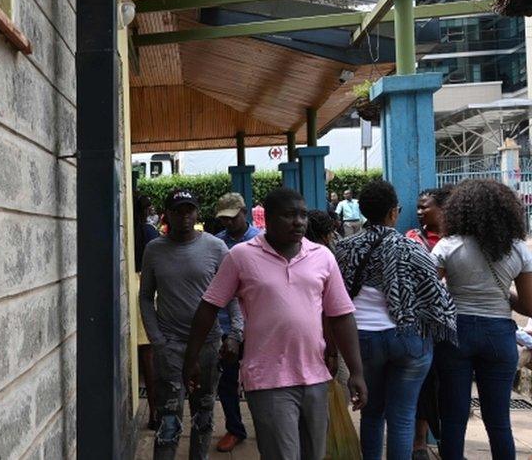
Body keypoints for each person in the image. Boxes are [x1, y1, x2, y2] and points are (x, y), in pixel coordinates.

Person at [183, 188, 367, 460]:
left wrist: (356, 371)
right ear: (267, 218)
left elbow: (340, 314)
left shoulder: (322, 256)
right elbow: (208, 306)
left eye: (303, 215)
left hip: (315, 377)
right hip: (268, 379)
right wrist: (192, 358)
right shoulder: (241, 256)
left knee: (314, 455)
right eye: (289, 215)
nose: (299, 222)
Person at [335, 180, 457, 460]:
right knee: (403, 417)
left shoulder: (343, 249)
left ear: (363, 211)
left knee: (372, 412)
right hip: (409, 341)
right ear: (394, 212)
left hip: (362, 341)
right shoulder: (413, 249)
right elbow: (435, 297)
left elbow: (336, 298)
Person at [140, 189, 244, 459]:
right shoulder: (155, 250)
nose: (184, 216)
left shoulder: (215, 247)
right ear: (167, 215)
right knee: (168, 420)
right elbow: (145, 298)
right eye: (178, 211)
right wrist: (157, 341)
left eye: (189, 210)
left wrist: (235, 332)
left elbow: (232, 294)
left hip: (209, 346)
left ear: (197, 213)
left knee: (204, 415)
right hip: (171, 347)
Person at [433, 179, 532, 460]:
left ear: (460, 210)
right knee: (499, 421)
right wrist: (505, 295)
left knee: (453, 418)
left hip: (456, 332)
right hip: (499, 335)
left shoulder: (448, 245)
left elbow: (428, 293)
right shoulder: (517, 249)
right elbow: (528, 305)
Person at [405, 185, 453, 459]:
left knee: (449, 385)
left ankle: (450, 440)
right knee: (422, 385)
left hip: (452, 325)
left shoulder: (458, 240)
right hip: (423, 324)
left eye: (426, 206)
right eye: (419, 207)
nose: (420, 211)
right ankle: (419, 442)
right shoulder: (413, 239)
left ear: (444, 208)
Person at [212, 193, 262, 452]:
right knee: (227, 380)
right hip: (225, 323)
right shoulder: (217, 244)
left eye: (233, 218)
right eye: (224, 219)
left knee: (261, 380)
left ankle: (267, 427)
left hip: (257, 323)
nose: (228, 223)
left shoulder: (260, 242)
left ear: (245, 212)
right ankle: (234, 428)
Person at [134, 194, 163, 429]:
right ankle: (155, 413)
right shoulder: (149, 232)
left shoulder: (125, 230)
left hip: (123, 287)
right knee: (149, 354)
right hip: (143, 289)